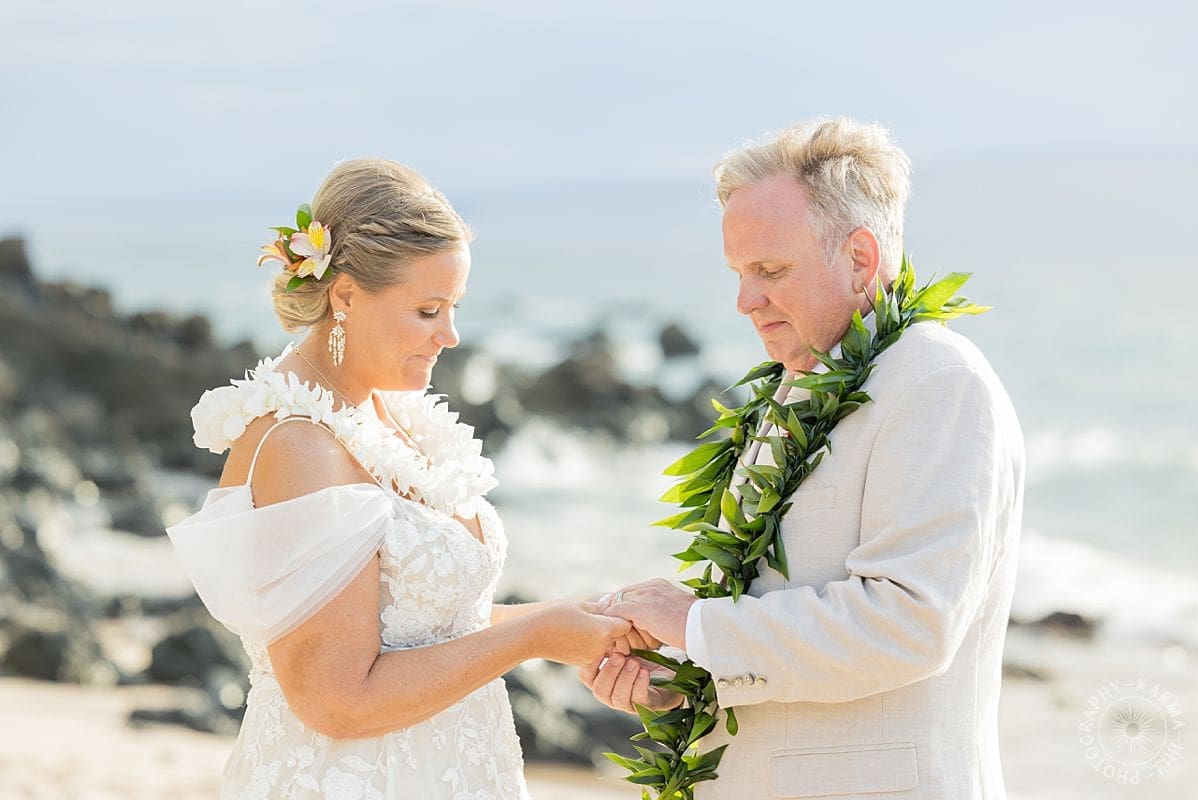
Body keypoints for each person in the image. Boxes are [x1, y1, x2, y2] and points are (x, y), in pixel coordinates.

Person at [583, 118, 1026, 799]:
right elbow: (778, 615)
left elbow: (911, 622)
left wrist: (700, 624)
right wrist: (685, 672)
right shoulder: (795, 387)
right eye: (739, 273)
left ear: (859, 258)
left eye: (770, 270)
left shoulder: (939, 384)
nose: (744, 301)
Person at [166, 158, 636, 799]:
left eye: (454, 307)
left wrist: (562, 623)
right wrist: (530, 637)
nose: (451, 334)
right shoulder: (300, 445)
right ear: (346, 295)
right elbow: (336, 701)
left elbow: (416, 625)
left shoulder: (389, 411)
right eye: (427, 310)